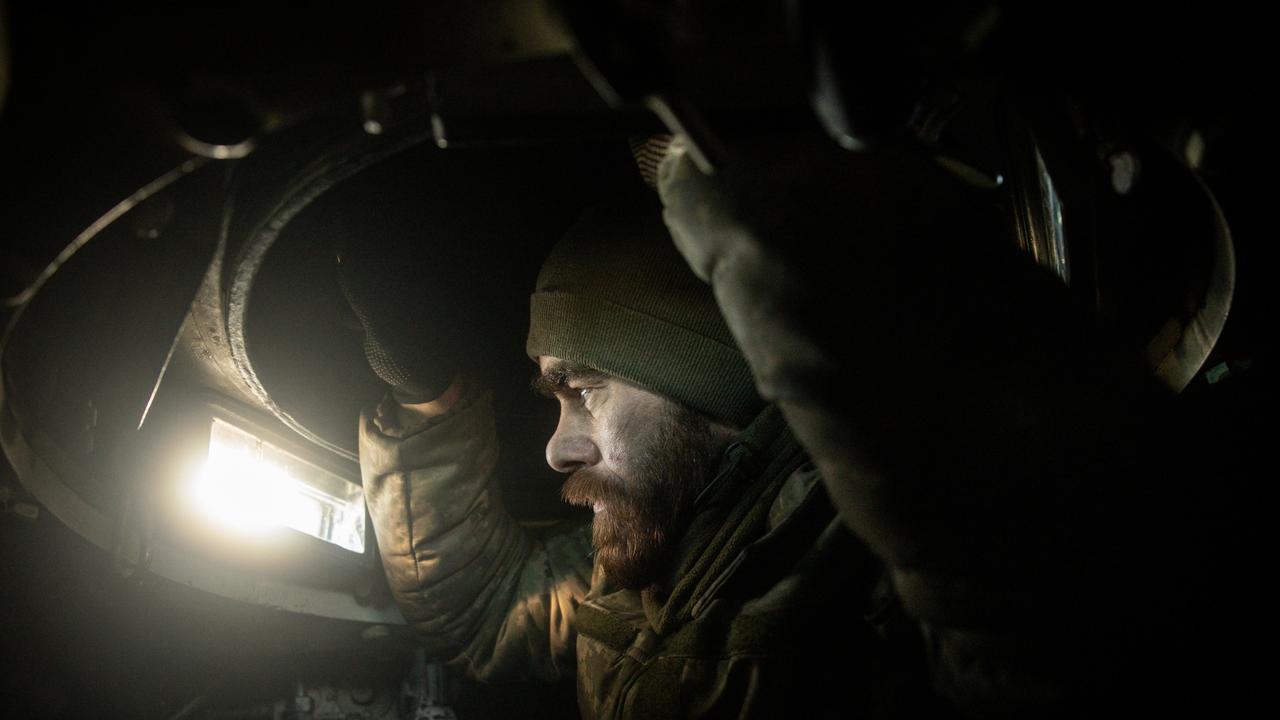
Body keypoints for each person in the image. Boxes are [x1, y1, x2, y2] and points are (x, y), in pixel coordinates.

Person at [354, 187, 944, 718]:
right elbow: (490, 616)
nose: (557, 451)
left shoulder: (900, 557)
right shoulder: (650, 547)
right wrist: (425, 398)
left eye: (585, 390)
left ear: (707, 375)